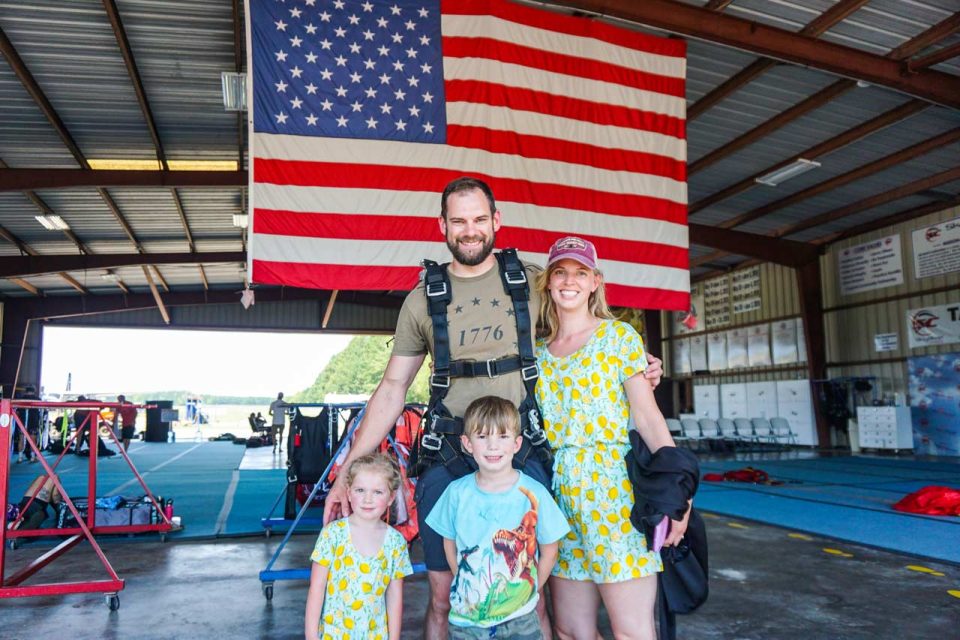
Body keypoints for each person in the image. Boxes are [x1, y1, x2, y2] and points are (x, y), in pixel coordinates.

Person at [323, 176, 664, 639]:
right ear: (442, 225)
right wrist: (348, 469)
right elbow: (392, 388)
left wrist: (635, 362)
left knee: (532, 597)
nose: (470, 230)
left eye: (479, 219)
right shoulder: (422, 300)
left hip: (520, 453)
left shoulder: (530, 282)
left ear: (496, 222)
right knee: (445, 598)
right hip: (448, 456)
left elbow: (582, 319)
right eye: (459, 220)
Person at [534, 236, 691, 640]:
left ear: (594, 281)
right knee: (570, 631)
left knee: (632, 632)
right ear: (549, 283)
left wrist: (680, 493)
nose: (570, 281)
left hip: (615, 497)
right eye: (561, 273)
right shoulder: (536, 355)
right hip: (559, 499)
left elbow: (649, 419)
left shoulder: (620, 338)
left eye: (580, 273)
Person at [426, 396, 569, 639]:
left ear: (516, 443)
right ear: (467, 443)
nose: (493, 446)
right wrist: (465, 580)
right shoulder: (456, 493)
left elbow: (550, 549)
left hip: (521, 620)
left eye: (502, 436)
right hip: (466, 621)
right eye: (482, 437)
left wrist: (531, 590)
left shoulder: (534, 493)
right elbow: (449, 542)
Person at [304, 453, 413, 640]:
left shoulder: (396, 543)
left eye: (377, 492)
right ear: (348, 492)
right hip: (333, 635)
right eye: (360, 490)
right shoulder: (333, 535)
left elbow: (395, 597)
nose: (367, 499)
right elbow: (317, 588)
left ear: (391, 497)